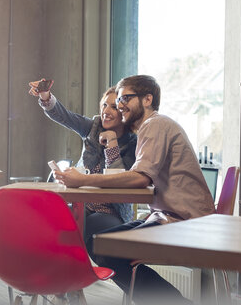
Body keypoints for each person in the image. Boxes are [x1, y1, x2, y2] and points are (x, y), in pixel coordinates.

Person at [53, 75, 215, 305]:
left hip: (186, 221)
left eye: (125, 98)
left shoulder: (155, 124)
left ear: (147, 99)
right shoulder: (151, 128)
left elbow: (140, 178)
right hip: (170, 216)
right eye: (118, 100)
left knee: (104, 247)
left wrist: (81, 181)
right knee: (101, 244)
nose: (119, 105)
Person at [28, 78, 137, 249]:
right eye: (104, 105)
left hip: (110, 211)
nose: (106, 111)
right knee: (45, 219)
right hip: (82, 205)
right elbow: (65, 116)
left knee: (78, 226)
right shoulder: (93, 127)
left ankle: (66, 271)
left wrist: (112, 144)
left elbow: (118, 180)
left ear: (124, 112)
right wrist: (45, 96)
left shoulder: (132, 143)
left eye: (113, 107)